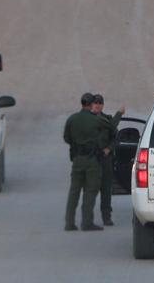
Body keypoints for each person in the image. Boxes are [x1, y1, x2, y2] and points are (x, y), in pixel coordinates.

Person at [62, 92, 104, 231]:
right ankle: (86, 222)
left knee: (74, 190)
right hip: (92, 160)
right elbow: (104, 138)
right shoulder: (96, 120)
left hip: (77, 159)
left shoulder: (72, 119)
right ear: (92, 104)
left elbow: (66, 138)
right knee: (90, 191)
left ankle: (69, 222)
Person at [91, 93, 125, 226]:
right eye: (95, 103)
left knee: (106, 189)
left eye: (100, 103)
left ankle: (106, 217)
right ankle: (88, 217)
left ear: (103, 105)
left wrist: (109, 149)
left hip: (105, 159)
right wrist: (119, 114)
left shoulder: (107, 119)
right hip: (91, 160)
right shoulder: (87, 119)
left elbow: (115, 137)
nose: (98, 105)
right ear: (91, 105)